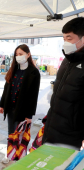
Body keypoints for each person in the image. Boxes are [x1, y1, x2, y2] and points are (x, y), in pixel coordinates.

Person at [43, 17, 84, 151]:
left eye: (69, 38)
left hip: (70, 136)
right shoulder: (67, 60)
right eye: (64, 39)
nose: (65, 42)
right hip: (52, 128)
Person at [0, 44, 40, 162]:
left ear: (28, 54)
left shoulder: (34, 73)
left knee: (21, 135)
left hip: (22, 110)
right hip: (10, 107)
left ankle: (20, 158)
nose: (18, 56)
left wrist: (30, 115)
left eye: (21, 54)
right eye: (16, 54)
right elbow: (6, 89)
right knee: (11, 132)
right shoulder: (13, 69)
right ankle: (10, 154)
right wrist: (2, 104)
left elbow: (34, 95)